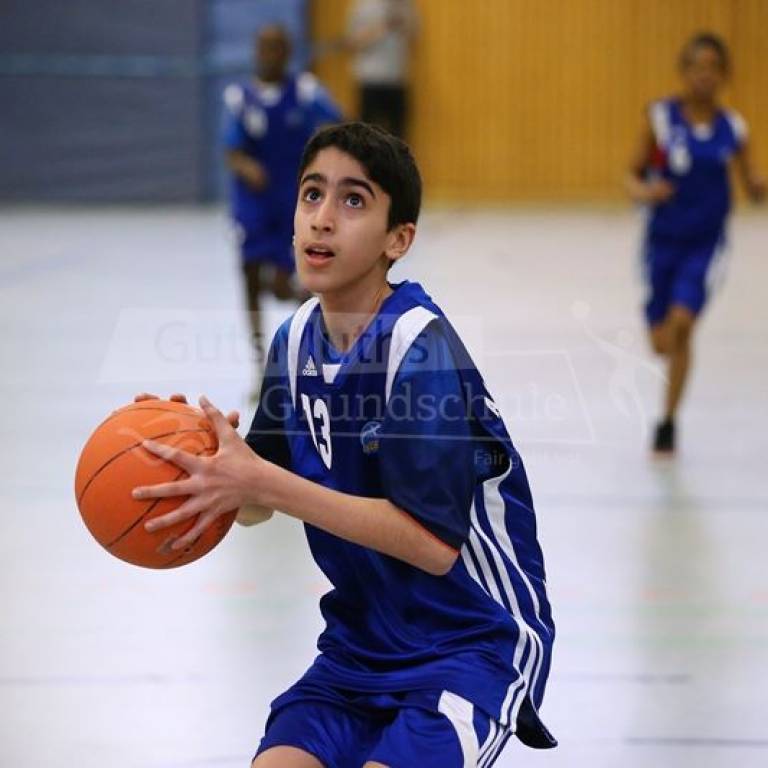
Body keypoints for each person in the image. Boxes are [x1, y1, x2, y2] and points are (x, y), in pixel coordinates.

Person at [133, 123, 556, 767]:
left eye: (353, 200)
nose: (323, 218)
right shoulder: (295, 339)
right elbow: (256, 503)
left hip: (471, 642)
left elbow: (431, 545)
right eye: (312, 194)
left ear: (398, 240)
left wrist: (263, 483)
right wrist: (201, 460)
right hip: (359, 647)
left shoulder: (418, 350)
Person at [625, 32, 765, 454]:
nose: (705, 75)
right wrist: (645, 191)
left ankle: (667, 422)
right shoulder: (661, 119)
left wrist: (759, 187)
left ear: (724, 75)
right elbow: (631, 175)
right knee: (662, 342)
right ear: (684, 72)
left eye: (713, 68)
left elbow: (752, 185)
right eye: (697, 67)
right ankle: (666, 343)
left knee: (683, 325)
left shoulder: (733, 129)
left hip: (705, 246)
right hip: (661, 243)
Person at [223, 24, 342, 384]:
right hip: (253, 205)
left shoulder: (305, 91)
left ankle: (308, 356)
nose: (269, 54)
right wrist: (246, 166)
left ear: (287, 53)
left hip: (293, 204)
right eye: (263, 47)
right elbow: (231, 150)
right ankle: (260, 367)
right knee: (249, 274)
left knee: (289, 283)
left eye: (276, 48)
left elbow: (340, 125)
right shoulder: (239, 97)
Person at [346, 0, 418, 138]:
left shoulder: (405, 5)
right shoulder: (363, 5)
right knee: (366, 136)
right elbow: (352, 42)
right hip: (370, 80)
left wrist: (402, 22)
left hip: (397, 80)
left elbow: (413, 36)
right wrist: (383, 27)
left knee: (398, 136)